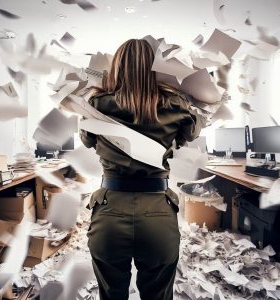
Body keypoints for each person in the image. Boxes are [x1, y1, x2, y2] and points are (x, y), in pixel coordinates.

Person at [81, 39, 203, 300]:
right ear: (155, 68)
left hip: (110, 213)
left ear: (117, 68)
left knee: (112, 294)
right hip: (157, 212)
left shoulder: (96, 105)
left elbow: (88, 140)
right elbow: (190, 133)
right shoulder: (175, 104)